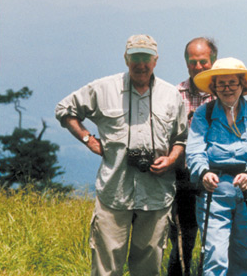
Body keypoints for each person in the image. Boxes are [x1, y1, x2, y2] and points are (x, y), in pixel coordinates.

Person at [55, 34, 187, 276]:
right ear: (126, 59)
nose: (141, 64)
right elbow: (64, 109)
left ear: (155, 60)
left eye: (146, 58)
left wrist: (170, 159)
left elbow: (180, 139)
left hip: (155, 195)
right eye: (135, 57)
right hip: (114, 192)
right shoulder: (104, 88)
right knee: (106, 268)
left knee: (148, 268)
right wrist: (88, 139)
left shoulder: (171, 95)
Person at [186, 57, 247, 275]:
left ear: (242, 85)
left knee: (245, 255)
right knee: (215, 255)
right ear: (214, 87)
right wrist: (203, 172)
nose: (227, 89)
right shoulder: (203, 114)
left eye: (232, 83)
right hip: (213, 190)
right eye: (221, 84)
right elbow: (194, 149)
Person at [168, 37, 218, 276]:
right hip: (183, 177)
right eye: (193, 62)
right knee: (182, 239)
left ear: (213, 61)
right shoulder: (174, 94)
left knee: (215, 239)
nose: (198, 67)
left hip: (217, 175)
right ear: (186, 63)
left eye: (203, 62)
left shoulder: (225, 92)